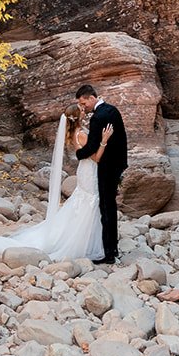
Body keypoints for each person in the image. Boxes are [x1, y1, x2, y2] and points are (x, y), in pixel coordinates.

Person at [0, 105, 115, 263]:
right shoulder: (81, 134)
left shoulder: (75, 133)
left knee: (83, 203)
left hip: (85, 171)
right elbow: (96, 158)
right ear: (77, 116)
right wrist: (104, 141)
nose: (84, 111)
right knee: (89, 203)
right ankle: (84, 242)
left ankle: (83, 238)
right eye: (81, 110)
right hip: (90, 172)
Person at [74, 83, 128, 265]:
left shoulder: (98, 117)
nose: (84, 107)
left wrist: (78, 154)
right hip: (117, 164)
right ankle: (112, 247)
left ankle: (109, 253)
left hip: (106, 167)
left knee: (106, 208)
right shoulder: (112, 110)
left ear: (91, 97)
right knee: (109, 206)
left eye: (84, 103)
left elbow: (91, 147)